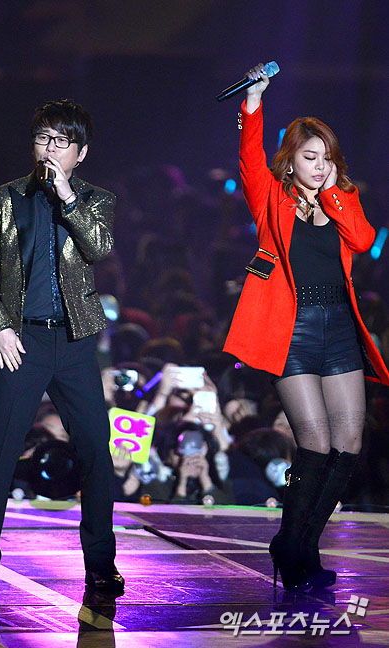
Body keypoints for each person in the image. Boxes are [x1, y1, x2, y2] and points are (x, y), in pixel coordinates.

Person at [223, 65, 389, 591]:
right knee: (314, 442)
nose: (320, 167)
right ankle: (293, 546)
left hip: (339, 329)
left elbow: (363, 240)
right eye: (310, 157)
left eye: (327, 158)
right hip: (291, 332)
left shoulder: (343, 199)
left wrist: (335, 194)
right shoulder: (270, 197)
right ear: (290, 160)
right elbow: (250, 158)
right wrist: (253, 101)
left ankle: (299, 543)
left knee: (349, 442)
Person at [0, 99, 124, 595]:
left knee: (96, 449)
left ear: (81, 152)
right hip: (22, 339)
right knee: (0, 450)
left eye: (61, 141)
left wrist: (67, 197)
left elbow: (99, 248)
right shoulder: (5, 198)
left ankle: (101, 563)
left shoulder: (96, 200)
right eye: (43, 138)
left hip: (75, 342)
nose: (50, 149)